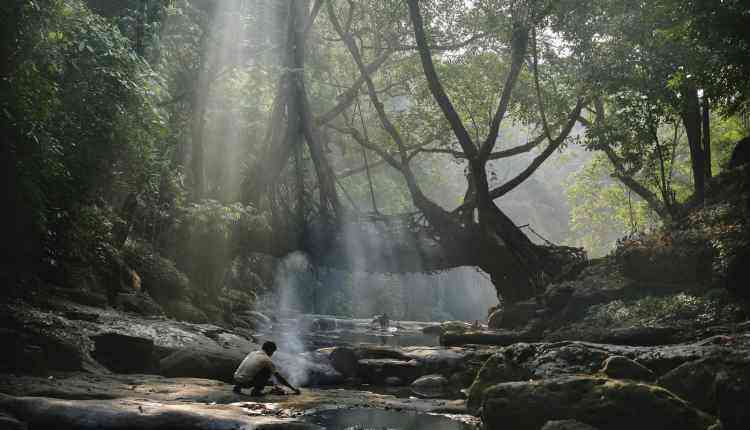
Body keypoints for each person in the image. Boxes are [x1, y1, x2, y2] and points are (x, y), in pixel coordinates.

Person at [233, 341, 301, 396]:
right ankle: (256, 391)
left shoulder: (253, 353)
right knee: (267, 370)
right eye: (273, 351)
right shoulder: (267, 360)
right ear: (270, 350)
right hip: (246, 383)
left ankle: (237, 387)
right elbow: (279, 377)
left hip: (236, 379)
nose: (272, 354)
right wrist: (293, 389)